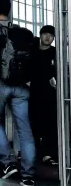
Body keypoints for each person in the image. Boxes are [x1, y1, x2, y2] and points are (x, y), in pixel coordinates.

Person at [0, 0, 36, 186]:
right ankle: (28, 176)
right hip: (22, 86)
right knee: (25, 129)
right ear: (9, 10)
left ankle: (7, 164)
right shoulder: (19, 31)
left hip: (0, 83)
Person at [29, 25, 58, 165]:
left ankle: (47, 154)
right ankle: (33, 153)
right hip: (33, 93)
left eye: (51, 35)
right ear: (40, 35)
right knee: (34, 124)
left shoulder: (55, 53)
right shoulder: (32, 51)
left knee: (49, 124)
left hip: (50, 94)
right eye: (45, 34)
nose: (48, 37)